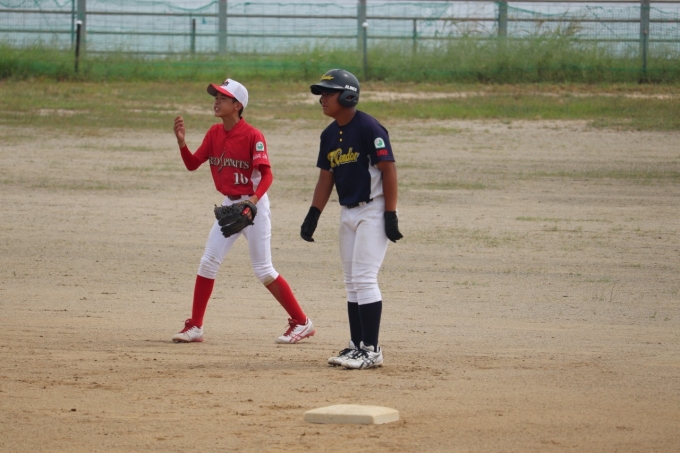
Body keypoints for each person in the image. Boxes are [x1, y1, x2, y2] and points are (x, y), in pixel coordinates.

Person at [171, 77, 315, 345]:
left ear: (238, 105)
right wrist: (182, 143)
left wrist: (253, 201)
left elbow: (267, 175)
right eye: (216, 97)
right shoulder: (214, 133)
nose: (216, 101)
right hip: (230, 205)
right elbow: (192, 164)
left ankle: (302, 322)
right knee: (208, 261)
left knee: (263, 270)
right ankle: (195, 326)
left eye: (223, 98)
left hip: (254, 207)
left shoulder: (252, 135)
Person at [300, 69, 403, 370]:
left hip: (373, 209)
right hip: (347, 212)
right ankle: (357, 345)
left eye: (328, 93)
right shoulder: (329, 135)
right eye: (321, 93)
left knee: (364, 278)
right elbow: (326, 177)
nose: (322, 98)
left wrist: (390, 213)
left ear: (348, 96)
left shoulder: (369, 127)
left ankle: (372, 349)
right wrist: (313, 214)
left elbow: (388, 170)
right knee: (351, 282)